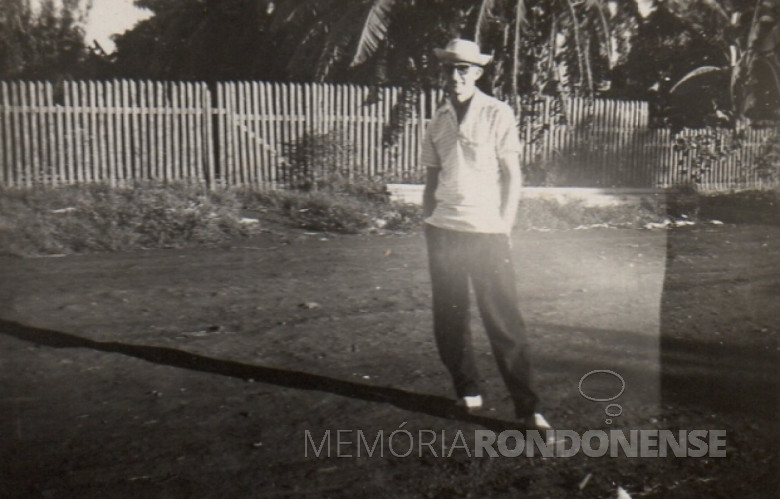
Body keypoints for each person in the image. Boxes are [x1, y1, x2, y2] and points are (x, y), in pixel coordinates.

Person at [421, 38, 551, 431]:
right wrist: (429, 219)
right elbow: (431, 176)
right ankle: (468, 392)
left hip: (487, 232)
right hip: (444, 231)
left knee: (503, 321)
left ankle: (528, 410)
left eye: (463, 69)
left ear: (477, 73)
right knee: (449, 317)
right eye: (449, 68)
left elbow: (513, 176)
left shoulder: (498, 113)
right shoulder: (438, 118)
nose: (455, 76)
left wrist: (505, 226)